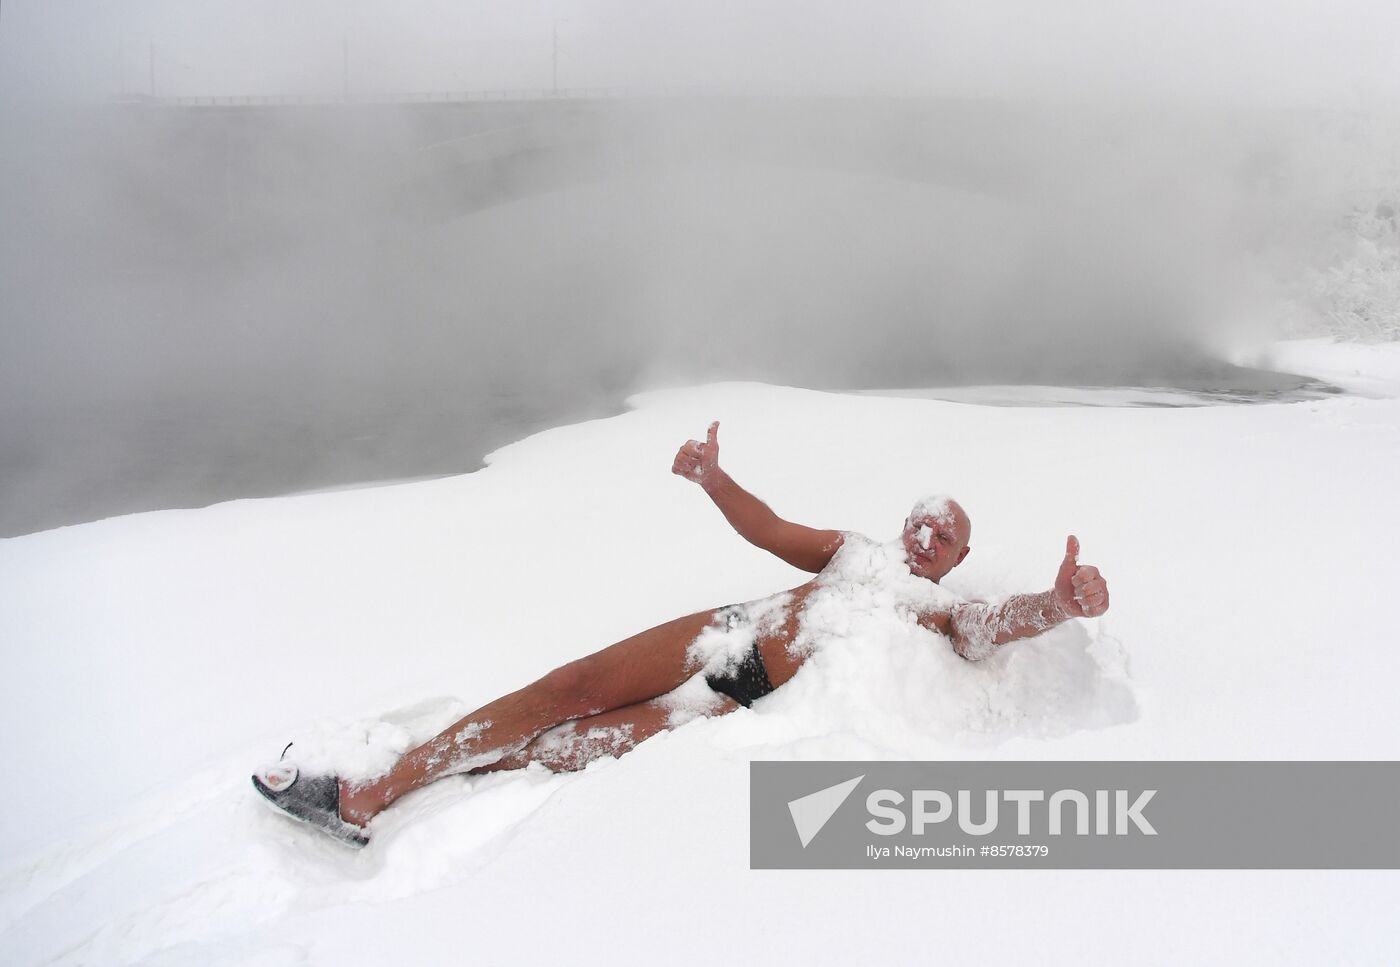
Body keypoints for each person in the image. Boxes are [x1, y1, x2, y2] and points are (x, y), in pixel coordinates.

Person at [253, 422, 1110, 847]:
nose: (925, 537)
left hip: (744, 703)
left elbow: (991, 625)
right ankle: (375, 789)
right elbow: (769, 528)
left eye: (943, 534)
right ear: (904, 524)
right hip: (721, 637)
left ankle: (474, 767)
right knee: (569, 688)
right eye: (920, 522)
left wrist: (1058, 602)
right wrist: (713, 477)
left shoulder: (935, 610)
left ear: (959, 555)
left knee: (571, 746)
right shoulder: (856, 552)